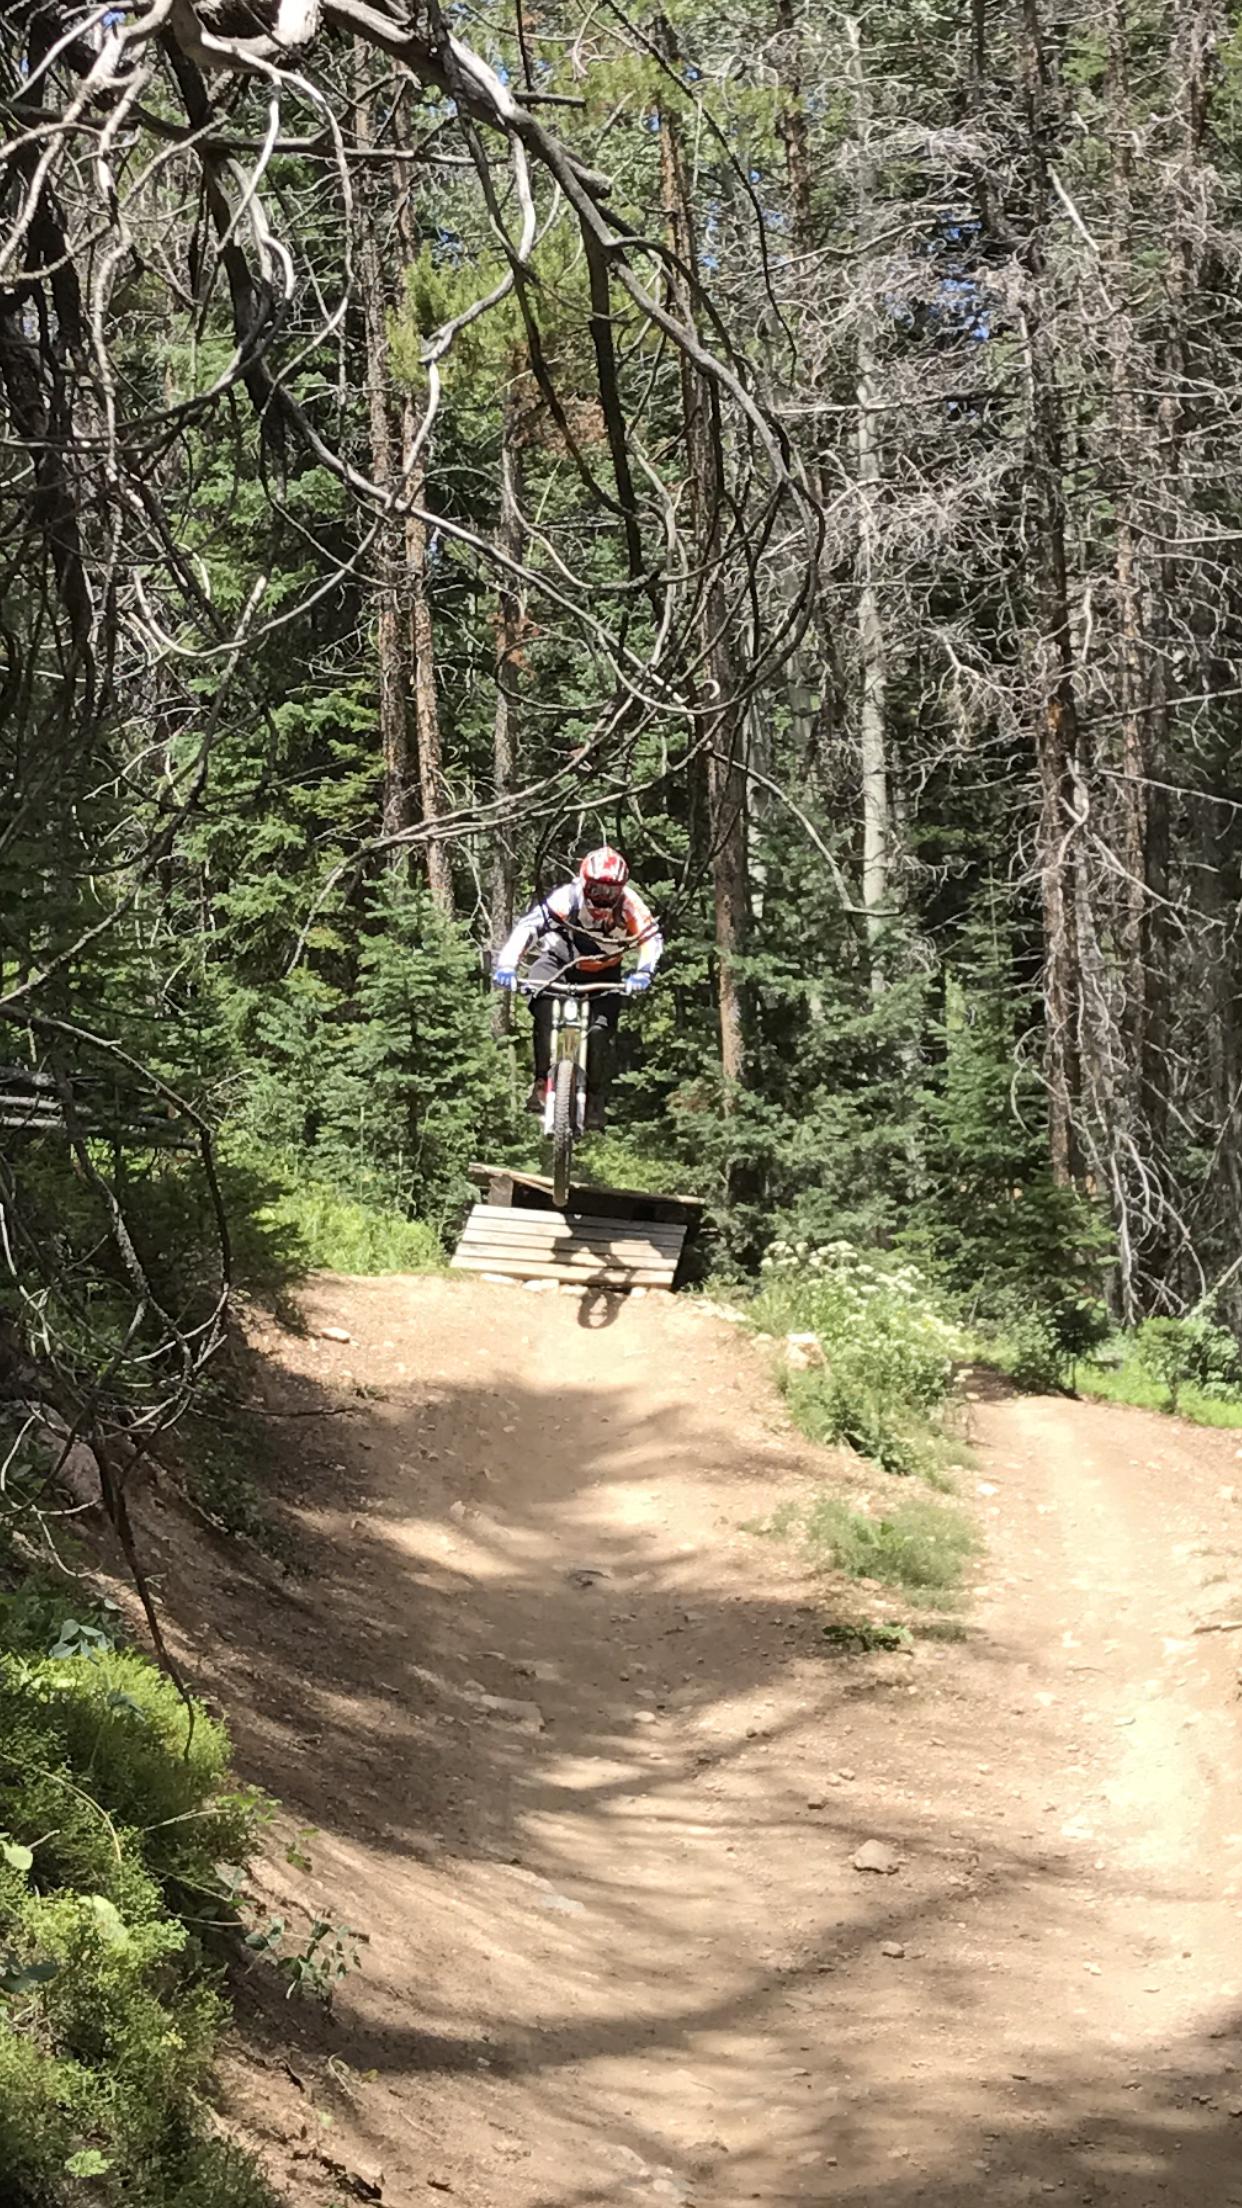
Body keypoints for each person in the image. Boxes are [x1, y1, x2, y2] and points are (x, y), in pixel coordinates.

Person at [493, 847, 663, 1130]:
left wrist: (644, 971)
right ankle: (540, 1081)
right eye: (596, 888)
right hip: (559, 962)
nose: (602, 897)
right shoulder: (566, 898)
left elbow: (651, 939)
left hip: (605, 970)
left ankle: (594, 1096)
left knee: (600, 1031)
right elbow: (529, 927)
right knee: (543, 1005)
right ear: (584, 881)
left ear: (621, 889)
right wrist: (508, 964)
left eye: (610, 891)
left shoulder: (631, 905)